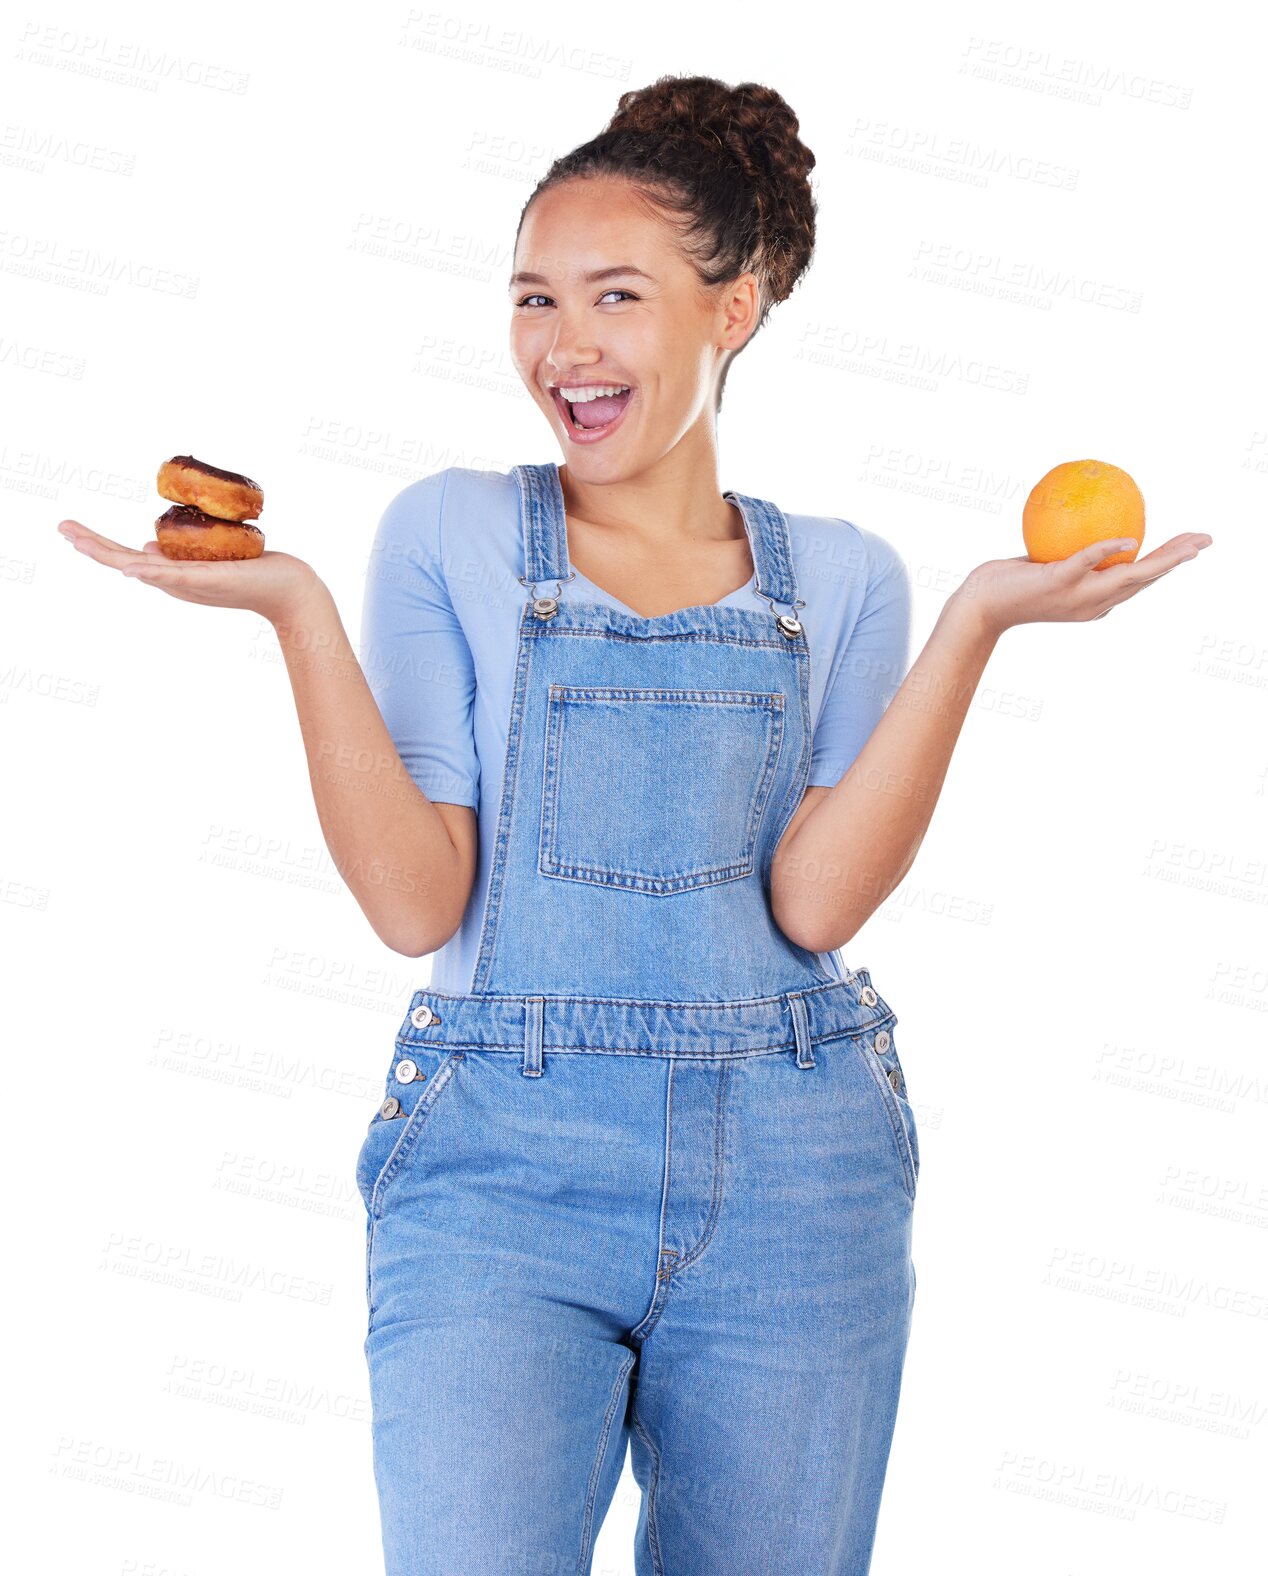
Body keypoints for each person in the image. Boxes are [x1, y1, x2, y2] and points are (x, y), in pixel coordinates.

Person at [58, 72, 1212, 1576]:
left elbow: (812, 906)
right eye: (535, 299)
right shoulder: (451, 534)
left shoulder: (850, 581)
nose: (564, 344)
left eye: (616, 295)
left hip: (801, 1174)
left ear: (734, 310)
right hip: (497, 1168)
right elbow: (418, 906)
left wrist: (980, 625)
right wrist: (295, 611)